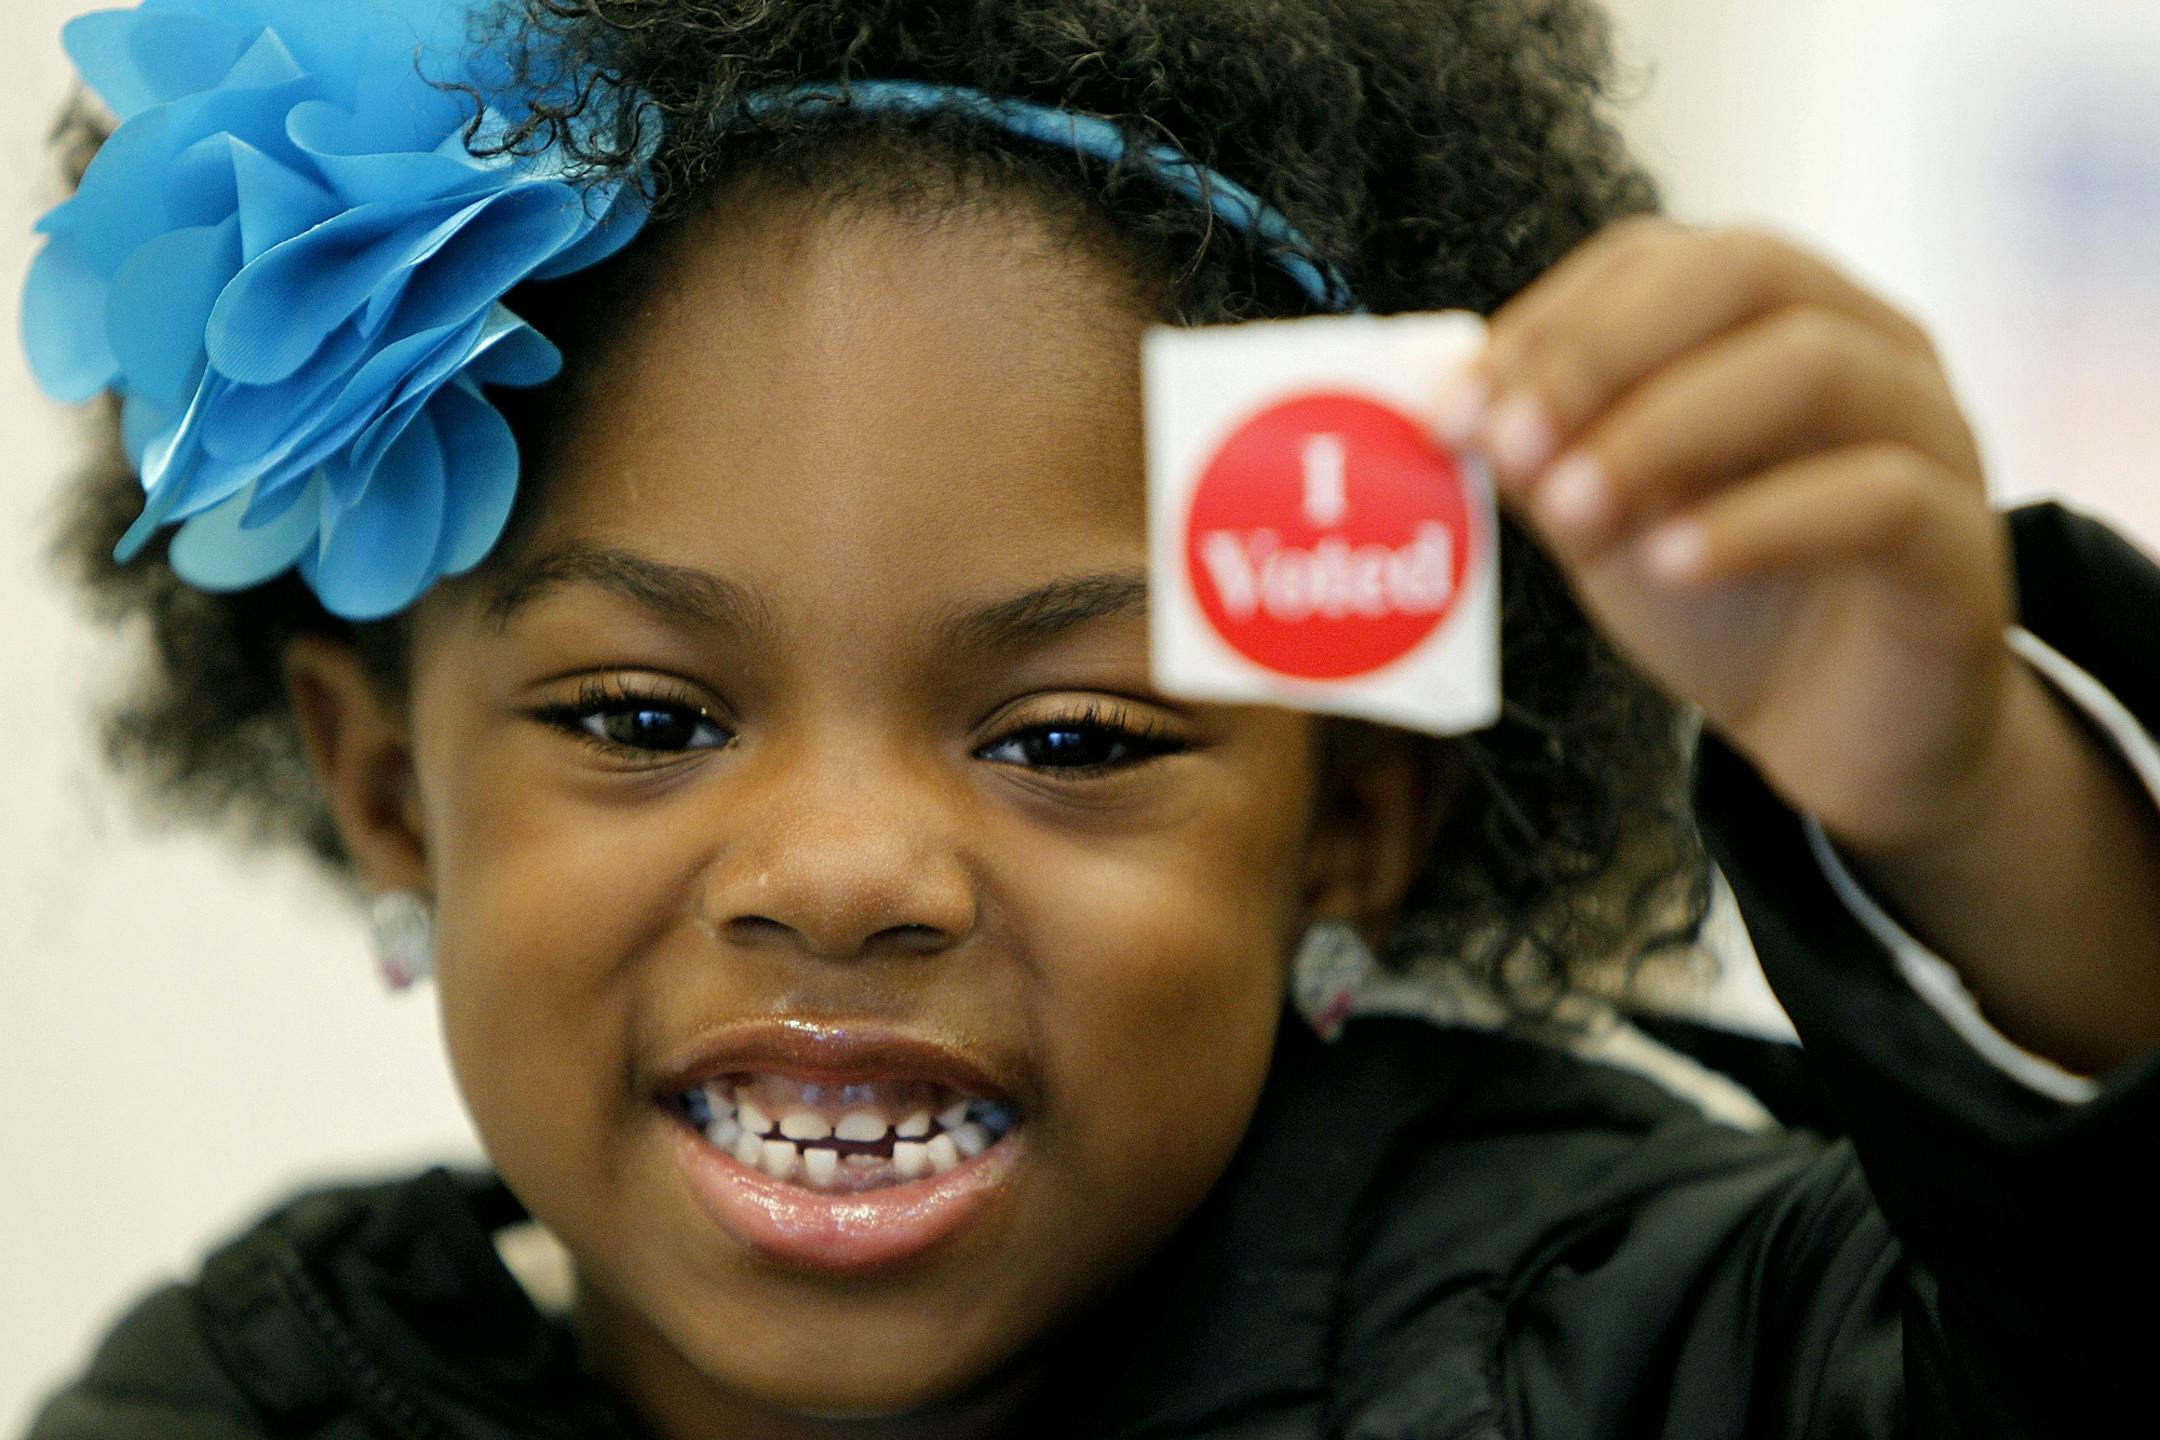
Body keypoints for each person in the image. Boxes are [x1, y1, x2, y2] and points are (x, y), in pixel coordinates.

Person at [19, 1, 2160, 1437]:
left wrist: (1971, 799)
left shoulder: (1615, 1339)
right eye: (647, 715)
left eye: (1069, 738)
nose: (847, 875)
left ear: (1352, 821)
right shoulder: (241, 1398)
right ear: (388, 786)